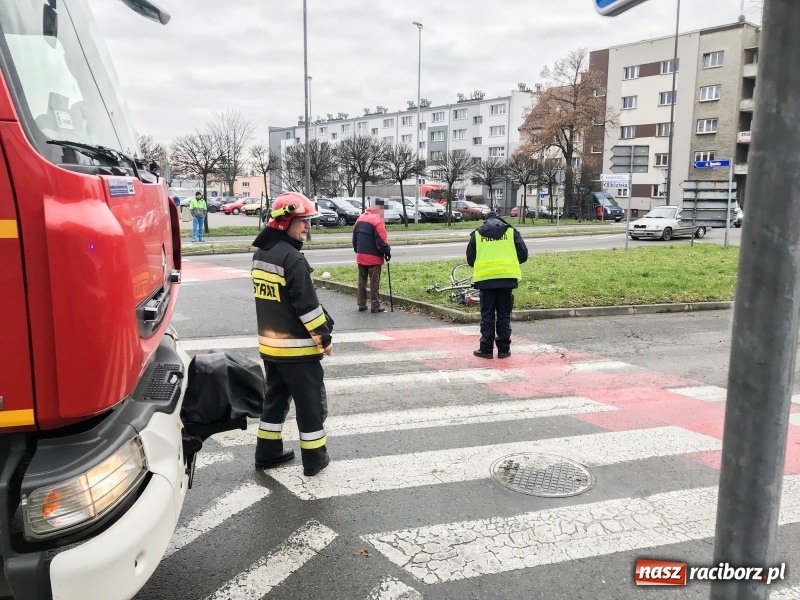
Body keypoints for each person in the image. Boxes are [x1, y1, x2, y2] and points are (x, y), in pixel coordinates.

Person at [251, 191, 333, 477]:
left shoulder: (261, 254)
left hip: (271, 348)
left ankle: (268, 453)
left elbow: (279, 302)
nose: (308, 227)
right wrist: (324, 338)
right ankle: (314, 460)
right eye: (303, 221)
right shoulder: (292, 259)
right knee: (310, 406)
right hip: (298, 351)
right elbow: (307, 307)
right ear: (285, 222)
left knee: (274, 401)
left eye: (309, 221)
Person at [466, 210, 529, 359]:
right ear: (500, 219)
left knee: (487, 316)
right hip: (507, 280)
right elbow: (523, 255)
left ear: (485, 221)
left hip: (485, 281)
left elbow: (470, 259)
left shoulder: (477, 234)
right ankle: (504, 350)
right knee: (503, 316)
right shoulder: (511, 232)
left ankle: (486, 350)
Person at [353, 199, 391, 313]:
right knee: (374, 282)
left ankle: (361, 304)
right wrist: (387, 252)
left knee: (362, 280)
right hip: (373, 257)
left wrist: (357, 250)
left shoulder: (360, 218)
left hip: (361, 255)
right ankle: (375, 305)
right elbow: (381, 241)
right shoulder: (377, 221)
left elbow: (354, 238)